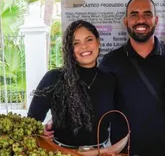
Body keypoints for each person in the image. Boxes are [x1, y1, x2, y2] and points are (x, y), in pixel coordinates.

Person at [99, 0, 165, 156]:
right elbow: (95, 104)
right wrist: (57, 123)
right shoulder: (110, 61)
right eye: (134, 14)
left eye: (147, 14)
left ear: (156, 20)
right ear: (126, 21)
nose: (141, 20)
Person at [28, 20, 115, 149]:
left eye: (89, 40)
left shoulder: (110, 79)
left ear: (98, 42)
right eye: (76, 43)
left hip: (103, 155)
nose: (84, 46)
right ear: (70, 49)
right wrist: (40, 132)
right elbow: (31, 121)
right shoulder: (54, 78)